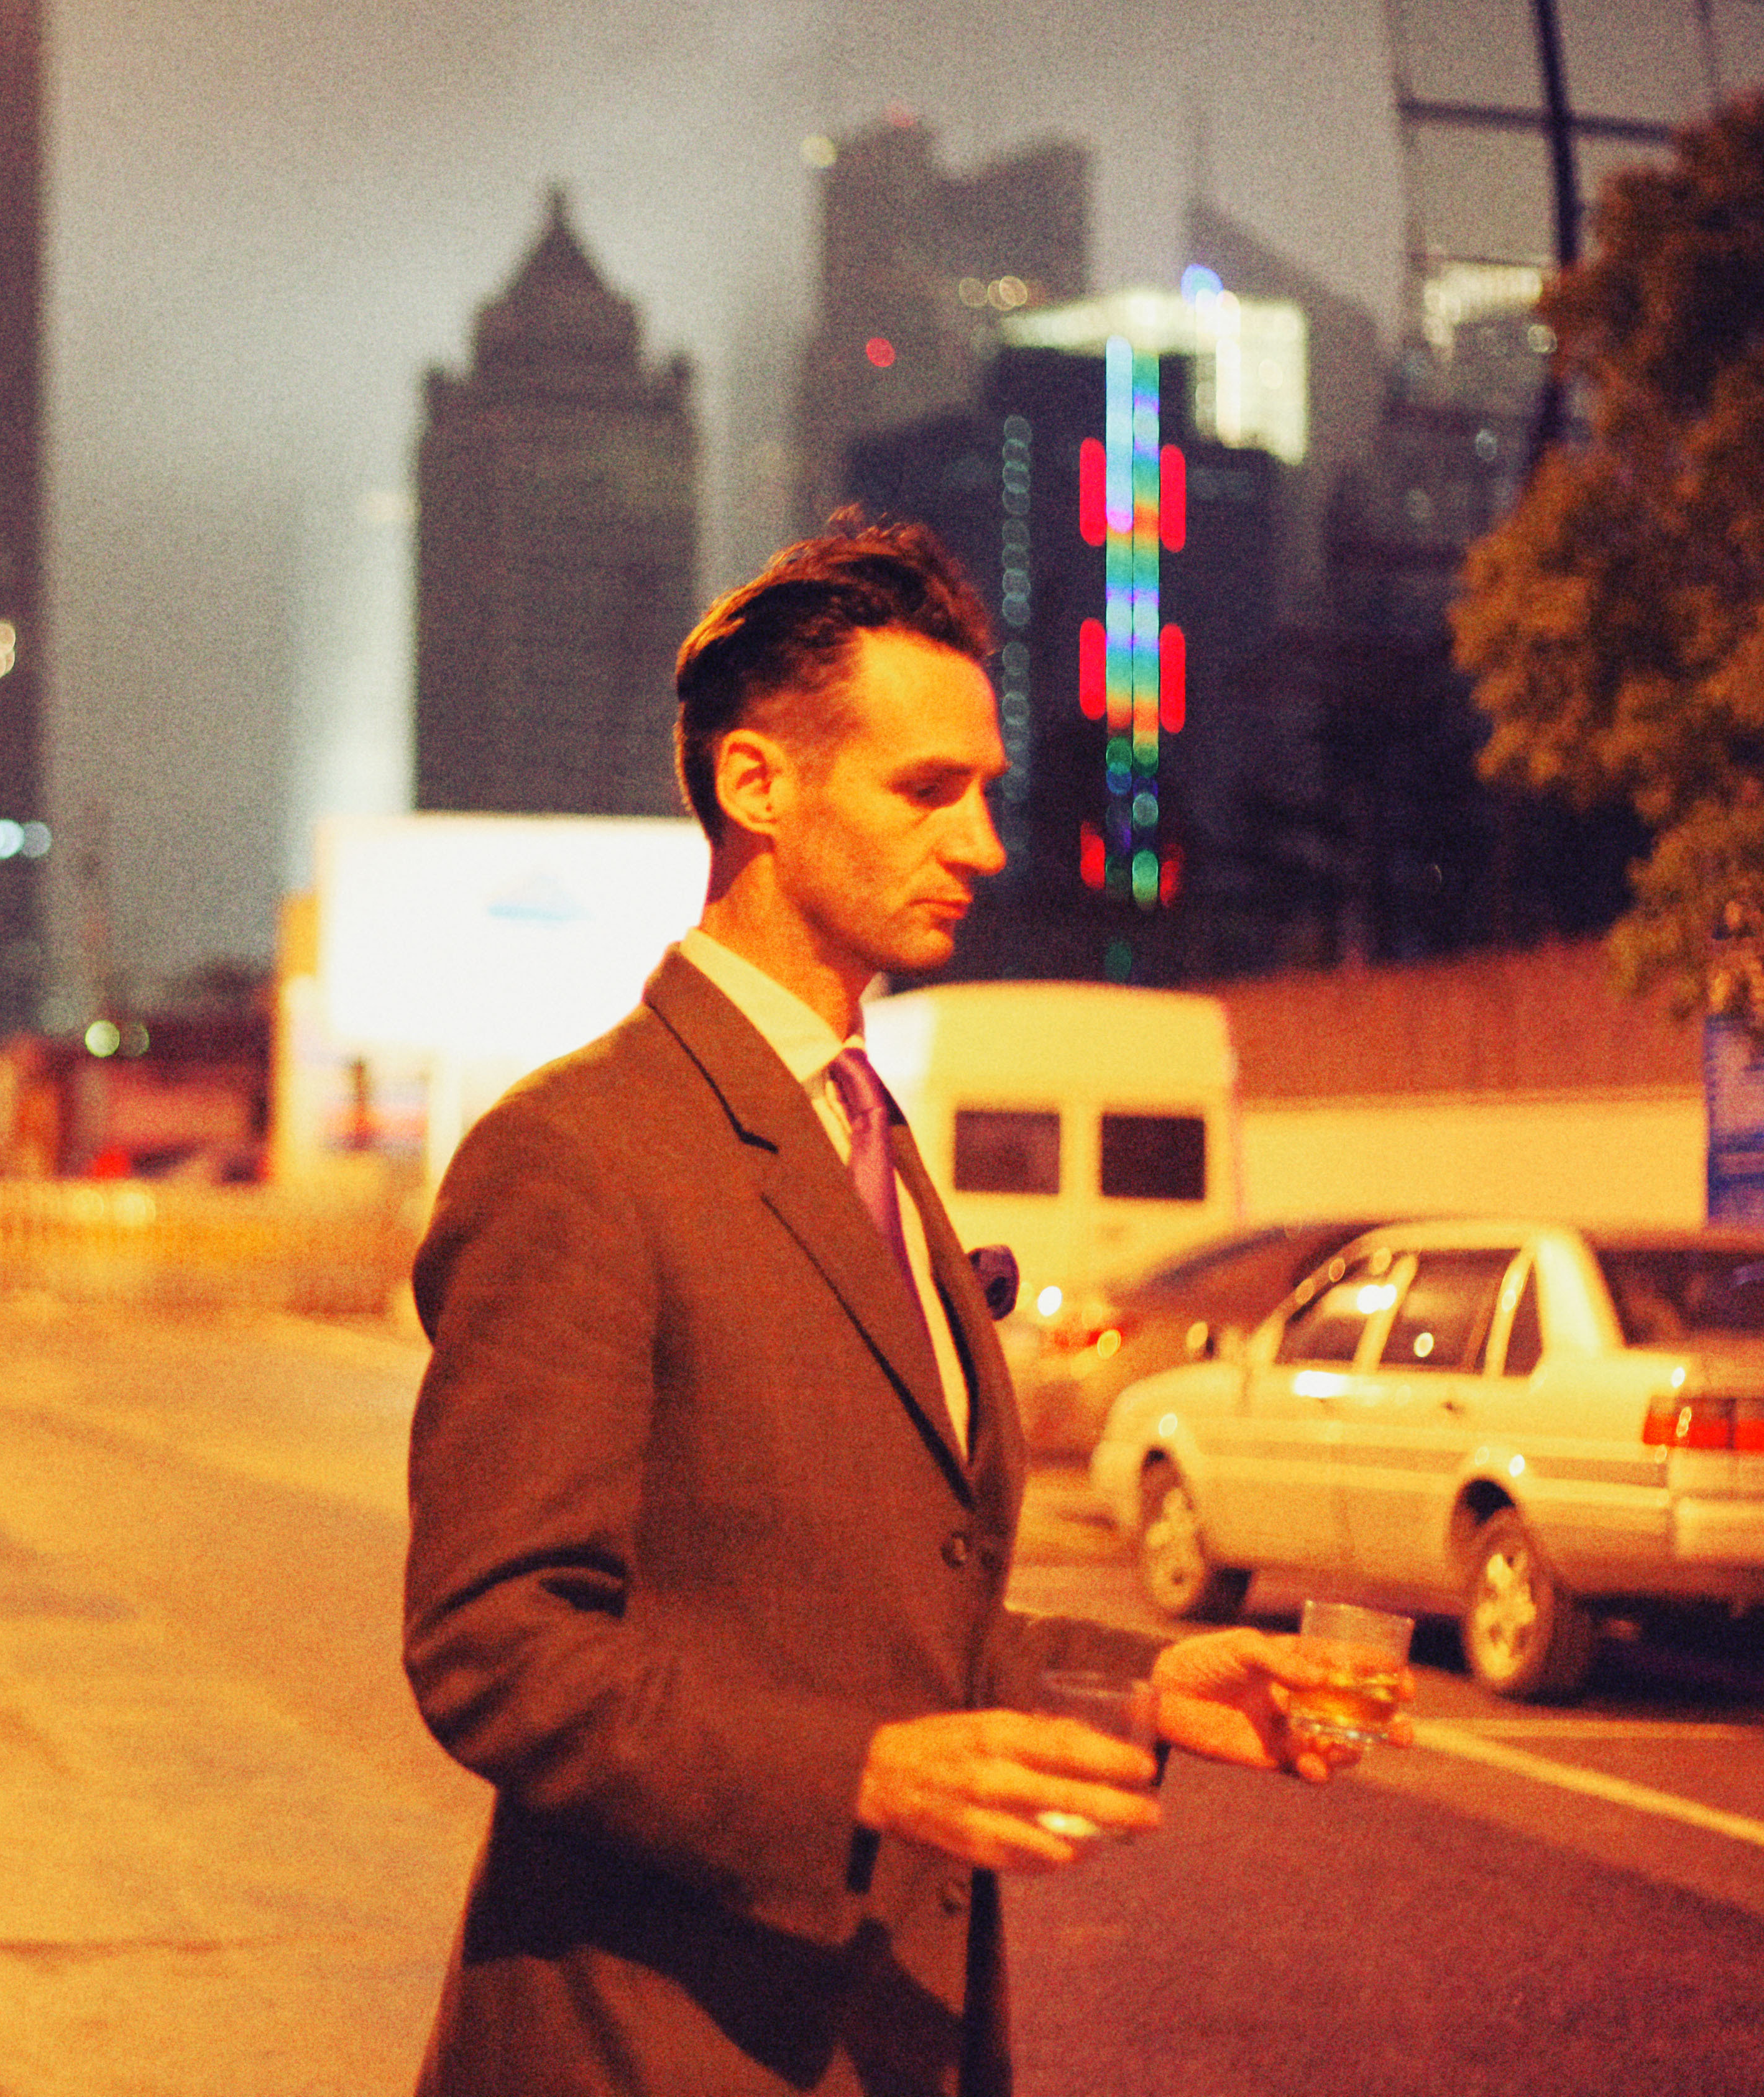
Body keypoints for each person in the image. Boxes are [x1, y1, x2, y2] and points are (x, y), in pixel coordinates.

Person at [401, 513, 1402, 2096]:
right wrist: (860, 1777)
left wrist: (1141, 1684)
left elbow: (871, 1608)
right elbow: (496, 1648)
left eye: (988, 789)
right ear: (758, 787)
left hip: (885, 2038)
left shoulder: (861, 1131)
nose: (986, 844)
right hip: (649, 2051)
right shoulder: (577, 1155)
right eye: (927, 790)